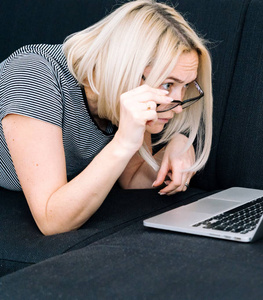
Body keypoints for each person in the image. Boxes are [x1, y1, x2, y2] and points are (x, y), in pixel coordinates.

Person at [0, 0, 213, 236]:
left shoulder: (124, 93)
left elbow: (132, 178)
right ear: (124, 68)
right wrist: (122, 142)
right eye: (168, 84)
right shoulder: (34, 76)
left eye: (185, 86)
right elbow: (52, 221)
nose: (177, 108)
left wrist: (178, 145)